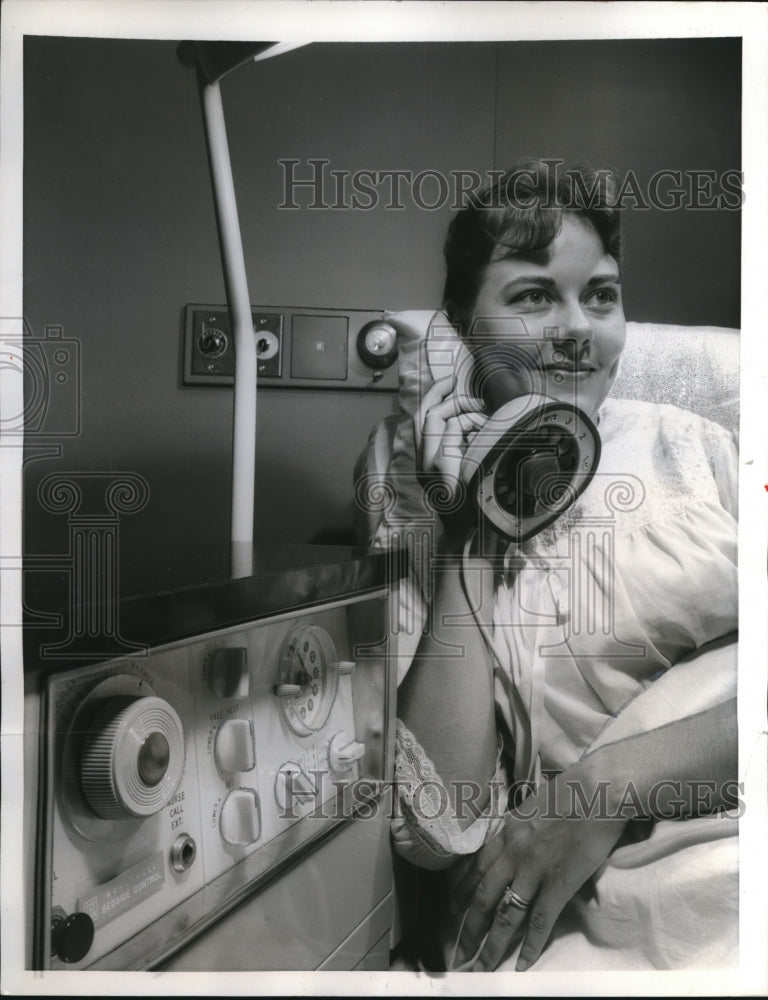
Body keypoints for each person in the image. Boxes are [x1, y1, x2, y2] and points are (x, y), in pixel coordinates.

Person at [389, 161, 739, 972]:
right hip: (644, 923)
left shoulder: (698, 447)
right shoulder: (419, 509)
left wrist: (611, 784)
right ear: (462, 327)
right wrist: (468, 535)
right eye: (534, 295)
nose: (580, 326)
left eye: (602, 294)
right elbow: (439, 830)